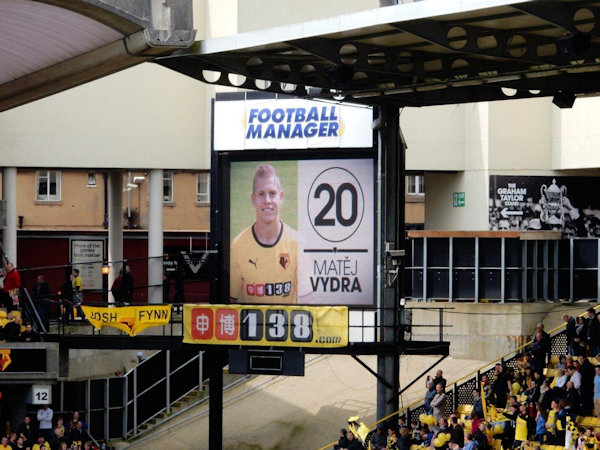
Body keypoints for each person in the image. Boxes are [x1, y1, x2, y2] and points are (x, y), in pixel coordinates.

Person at [230, 164, 310, 304]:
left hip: (288, 325)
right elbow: (228, 302)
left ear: (281, 197)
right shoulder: (238, 246)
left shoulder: (297, 243)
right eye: (261, 194)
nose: (267, 200)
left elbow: (307, 301)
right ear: (253, 199)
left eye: (272, 193)